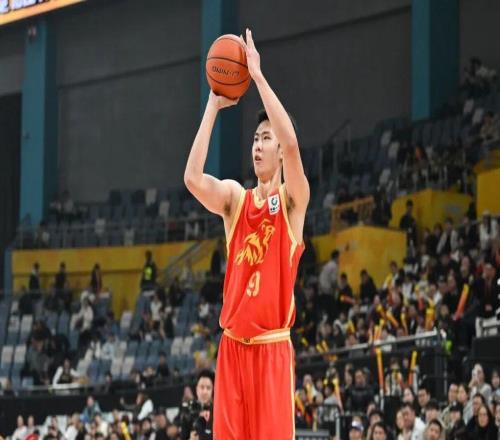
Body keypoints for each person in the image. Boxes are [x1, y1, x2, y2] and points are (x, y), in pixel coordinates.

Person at [184, 28, 309, 440]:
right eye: (255, 138)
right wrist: (212, 105)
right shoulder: (236, 200)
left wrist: (256, 76)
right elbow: (192, 178)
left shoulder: (293, 202)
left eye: (266, 138)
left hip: (272, 348)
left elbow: (293, 145)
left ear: (279, 150)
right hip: (232, 348)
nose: (257, 145)